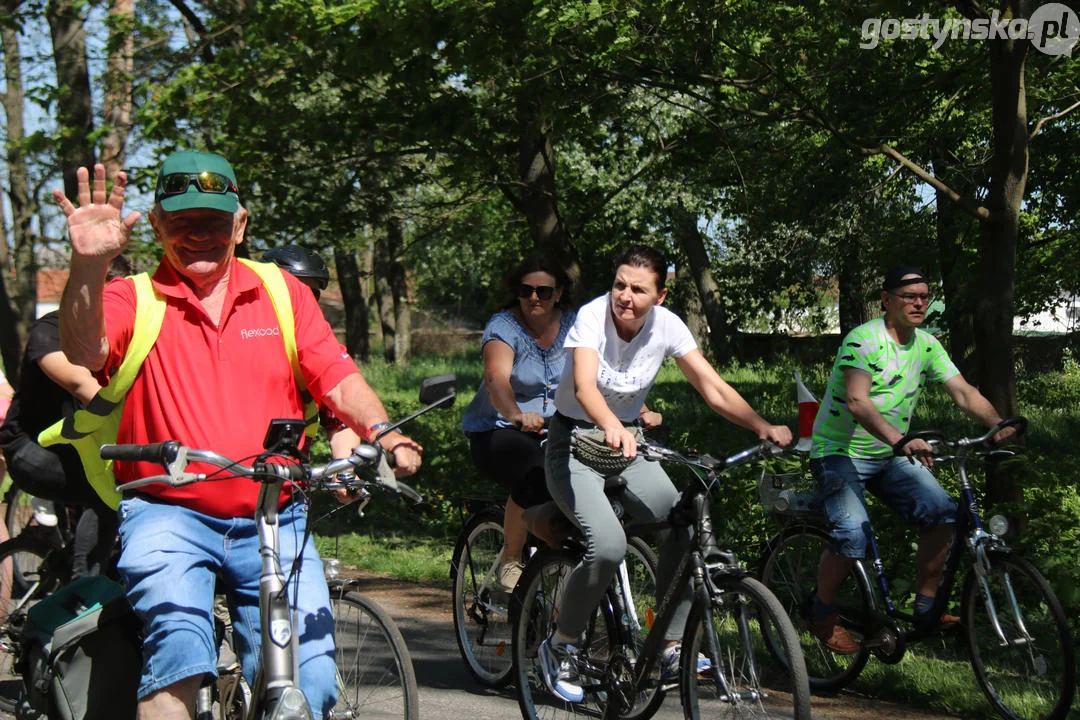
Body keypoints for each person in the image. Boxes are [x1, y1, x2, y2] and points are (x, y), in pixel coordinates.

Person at [53, 150, 422, 720]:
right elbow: (82, 349)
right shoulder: (134, 297)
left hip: (275, 513)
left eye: (214, 222)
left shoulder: (283, 293)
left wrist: (382, 433)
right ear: (155, 225)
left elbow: (335, 375)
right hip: (167, 511)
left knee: (313, 684)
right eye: (182, 222)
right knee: (177, 659)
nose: (199, 236)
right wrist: (86, 268)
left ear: (241, 224)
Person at [540, 244, 792, 703]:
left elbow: (712, 387)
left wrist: (760, 425)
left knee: (680, 521)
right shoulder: (592, 318)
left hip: (628, 446)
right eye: (619, 284)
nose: (625, 296)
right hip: (574, 446)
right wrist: (615, 426)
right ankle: (561, 644)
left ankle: (671, 646)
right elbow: (582, 386)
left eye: (638, 289)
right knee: (609, 545)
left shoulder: (668, 326)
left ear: (660, 294)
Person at [808, 265, 1013, 655]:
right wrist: (902, 440)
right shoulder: (863, 341)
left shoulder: (927, 344)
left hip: (887, 452)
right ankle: (822, 613)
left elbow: (964, 393)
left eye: (924, 295)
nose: (920, 302)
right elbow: (857, 402)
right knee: (852, 533)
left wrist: (998, 425)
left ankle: (926, 607)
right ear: (886, 301)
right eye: (909, 296)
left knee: (943, 513)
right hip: (839, 453)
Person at [0, 257, 132, 578]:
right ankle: (83, 586)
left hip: (85, 444)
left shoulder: (123, 335)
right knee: (111, 493)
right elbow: (83, 385)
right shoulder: (51, 330)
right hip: (32, 449)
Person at [461, 252, 576, 591]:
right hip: (500, 430)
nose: (534, 298)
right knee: (538, 472)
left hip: (558, 428)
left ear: (559, 293)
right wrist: (514, 414)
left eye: (543, 291)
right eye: (526, 291)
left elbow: (599, 376)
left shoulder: (574, 325)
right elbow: (497, 378)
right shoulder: (503, 326)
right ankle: (512, 556)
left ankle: (559, 565)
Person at [262, 244, 363, 470]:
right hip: (224, 476)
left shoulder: (319, 349)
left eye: (312, 293)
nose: (302, 300)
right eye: (291, 291)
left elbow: (340, 419)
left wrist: (344, 470)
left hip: (291, 482)